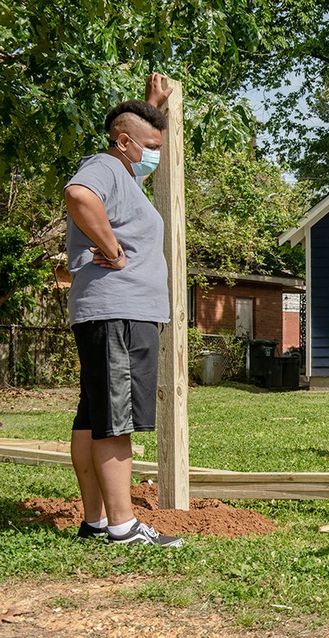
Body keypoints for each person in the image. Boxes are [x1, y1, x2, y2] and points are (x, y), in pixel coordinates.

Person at [63, 73, 182, 547]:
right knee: (116, 421)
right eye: (150, 143)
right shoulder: (106, 167)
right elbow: (78, 195)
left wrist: (151, 106)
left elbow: (135, 158)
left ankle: (94, 521)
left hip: (107, 313)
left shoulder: (125, 172)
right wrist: (111, 247)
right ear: (124, 141)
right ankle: (122, 526)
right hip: (120, 313)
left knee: (92, 418)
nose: (156, 153)